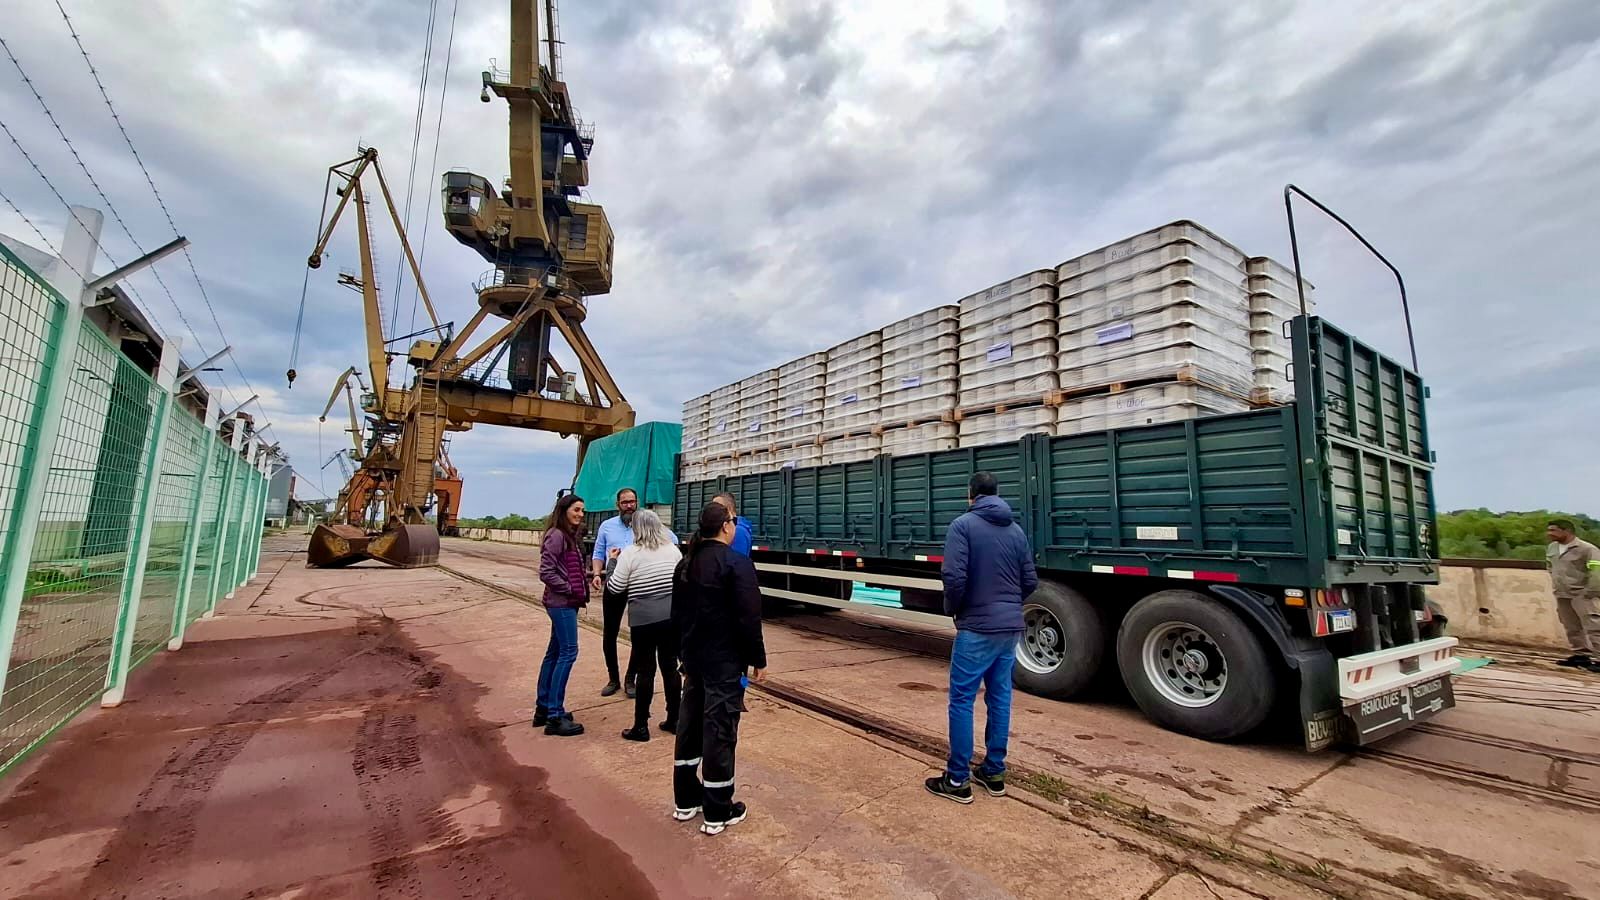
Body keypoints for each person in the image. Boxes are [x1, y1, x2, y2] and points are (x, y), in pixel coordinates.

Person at [926, 472, 1037, 804]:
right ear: (997, 494)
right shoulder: (1016, 530)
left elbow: (953, 575)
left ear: (970, 495)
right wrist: (1009, 605)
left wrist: (954, 609)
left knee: (961, 700)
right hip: (1010, 629)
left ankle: (958, 779)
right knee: (1000, 698)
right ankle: (994, 771)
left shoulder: (963, 526)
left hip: (977, 627)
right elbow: (1029, 579)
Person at [672, 501, 768, 835]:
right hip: (724, 662)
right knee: (720, 729)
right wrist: (759, 659)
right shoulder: (736, 564)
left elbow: (677, 615)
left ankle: (685, 800)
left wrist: (680, 653)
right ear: (726, 526)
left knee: (690, 725)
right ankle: (718, 810)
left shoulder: (686, 563)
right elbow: (748, 617)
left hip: (693, 659)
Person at [592, 488, 678, 698]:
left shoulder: (646, 523)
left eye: (632, 501)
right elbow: (597, 552)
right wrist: (596, 573)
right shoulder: (607, 526)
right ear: (617, 505)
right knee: (609, 633)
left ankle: (631, 678)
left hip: (640, 586)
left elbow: (672, 540)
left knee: (639, 636)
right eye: (624, 502)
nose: (629, 505)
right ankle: (613, 678)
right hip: (614, 582)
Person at [607, 508, 683, 741]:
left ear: (636, 529)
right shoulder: (673, 551)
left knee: (645, 671)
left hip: (643, 621)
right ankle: (674, 720)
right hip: (670, 618)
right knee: (670, 667)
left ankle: (641, 726)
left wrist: (612, 562)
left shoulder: (630, 553)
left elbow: (615, 587)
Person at [536, 493, 590, 737]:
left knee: (555, 652)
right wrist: (569, 588)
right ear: (564, 510)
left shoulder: (567, 536)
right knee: (569, 652)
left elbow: (565, 568)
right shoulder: (557, 536)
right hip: (562, 603)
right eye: (576, 510)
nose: (580, 514)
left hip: (564, 601)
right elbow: (546, 572)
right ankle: (555, 716)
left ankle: (544, 708)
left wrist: (586, 579)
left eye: (582, 511)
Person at [1547, 519, 1600, 672]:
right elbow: (1550, 566)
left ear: (1566, 531)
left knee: (1594, 627)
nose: (1549, 534)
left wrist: (1590, 591)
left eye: (1553, 530)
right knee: (1571, 627)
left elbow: (1596, 572)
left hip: (1583, 595)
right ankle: (1580, 655)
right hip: (1562, 594)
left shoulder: (1587, 549)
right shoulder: (1552, 548)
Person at [711, 492, 754, 557]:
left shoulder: (738, 531)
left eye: (716, 507)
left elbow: (735, 563)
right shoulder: (733, 528)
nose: (712, 510)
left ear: (729, 508)